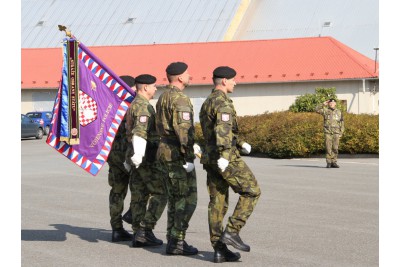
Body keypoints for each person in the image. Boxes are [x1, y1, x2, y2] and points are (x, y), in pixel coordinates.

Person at [199, 66, 261, 263]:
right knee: (252, 191)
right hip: (224, 157)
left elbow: (215, 131)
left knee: (217, 203)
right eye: (234, 79)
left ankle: (219, 250)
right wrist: (226, 156)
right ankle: (232, 231)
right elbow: (223, 132)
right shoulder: (222, 102)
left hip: (210, 158)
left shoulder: (208, 101)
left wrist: (241, 143)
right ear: (224, 81)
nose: (236, 82)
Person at [155, 62, 198, 256]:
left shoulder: (163, 97)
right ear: (180, 77)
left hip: (164, 151)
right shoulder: (180, 99)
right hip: (176, 154)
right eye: (187, 74)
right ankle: (177, 240)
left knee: (174, 198)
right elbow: (184, 130)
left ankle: (173, 238)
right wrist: (189, 156)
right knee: (187, 199)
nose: (190, 76)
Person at [125, 74, 168, 247]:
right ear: (144, 88)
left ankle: (138, 233)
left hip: (136, 157)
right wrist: (139, 154)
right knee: (161, 193)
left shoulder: (134, 105)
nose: (155, 88)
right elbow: (140, 132)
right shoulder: (142, 107)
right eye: (153, 86)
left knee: (139, 195)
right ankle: (145, 229)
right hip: (146, 158)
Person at [107, 75, 136, 242]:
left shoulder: (110, 105)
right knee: (140, 189)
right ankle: (138, 228)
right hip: (127, 154)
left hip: (113, 154)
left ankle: (116, 228)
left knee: (117, 191)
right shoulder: (129, 106)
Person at [315, 98, 345, 168]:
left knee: (335, 148)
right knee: (328, 148)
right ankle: (328, 162)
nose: (332, 104)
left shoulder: (339, 112)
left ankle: (334, 162)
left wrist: (341, 132)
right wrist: (323, 104)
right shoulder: (325, 111)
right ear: (328, 104)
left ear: (335, 104)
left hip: (336, 133)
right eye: (330, 103)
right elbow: (316, 109)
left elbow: (342, 123)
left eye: (333, 103)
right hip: (328, 132)